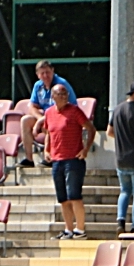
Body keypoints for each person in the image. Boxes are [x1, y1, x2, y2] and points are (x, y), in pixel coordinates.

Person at [37, 84, 95, 238]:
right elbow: (49, 132)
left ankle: (80, 229)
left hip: (73, 159)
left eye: (65, 93)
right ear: (53, 96)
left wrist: (86, 149)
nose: (63, 96)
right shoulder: (49, 113)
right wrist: (46, 149)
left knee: (74, 195)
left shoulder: (75, 111)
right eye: (59, 94)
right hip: (57, 160)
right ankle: (68, 229)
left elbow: (90, 128)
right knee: (62, 198)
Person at [108, 82, 134, 232]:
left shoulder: (118, 109)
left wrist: (123, 138)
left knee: (124, 191)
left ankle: (120, 220)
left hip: (121, 158)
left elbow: (109, 132)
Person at [20, 60, 75, 168]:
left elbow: (66, 106)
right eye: (42, 73)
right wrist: (40, 118)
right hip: (45, 117)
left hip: (62, 117)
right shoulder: (38, 86)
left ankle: (49, 158)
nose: (45, 75)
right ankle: (29, 159)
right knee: (25, 120)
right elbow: (32, 107)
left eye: (48, 72)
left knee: (50, 123)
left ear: (53, 71)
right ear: (37, 75)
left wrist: (43, 120)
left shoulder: (61, 84)